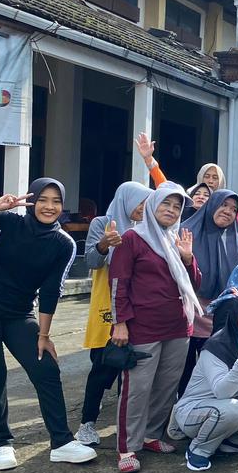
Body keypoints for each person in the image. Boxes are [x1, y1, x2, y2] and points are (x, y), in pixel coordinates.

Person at [0, 180, 96, 470]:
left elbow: (52, 291)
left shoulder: (64, 244)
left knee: (46, 368)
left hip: (19, 312)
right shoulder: (9, 222)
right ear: (32, 201)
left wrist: (44, 335)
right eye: (43, 199)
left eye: (56, 201)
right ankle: (0, 442)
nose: (49, 207)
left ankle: (62, 442)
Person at [108, 183, 202, 473]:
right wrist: (119, 323)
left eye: (176, 207)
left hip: (178, 326)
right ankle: (127, 447)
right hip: (143, 327)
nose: (171, 211)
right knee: (137, 388)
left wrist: (188, 259)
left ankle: (151, 435)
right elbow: (118, 282)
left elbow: (194, 284)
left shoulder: (175, 241)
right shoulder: (132, 238)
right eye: (166, 204)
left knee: (166, 386)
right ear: (152, 206)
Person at [168, 294, 238, 471]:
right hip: (193, 412)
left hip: (229, 407)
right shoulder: (216, 346)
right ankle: (199, 449)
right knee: (234, 409)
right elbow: (222, 392)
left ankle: (236, 440)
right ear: (236, 314)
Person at [77, 181, 150, 446]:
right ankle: (87, 423)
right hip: (107, 303)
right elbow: (92, 261)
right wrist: (104, 245)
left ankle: (124, 423)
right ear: (127, 200)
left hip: (138, 303)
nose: (144, 208)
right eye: (140, 202)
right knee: (103, 364)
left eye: (147, 204)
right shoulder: (103, 223)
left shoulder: (147, 227)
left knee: (130, 367)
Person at [177, 187, 238, 396]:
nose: (228, 211)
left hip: (220, 316)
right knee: (183, 370)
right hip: (187, 311)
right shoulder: (186, 232)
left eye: (234, 209)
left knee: (213, 371)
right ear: (211, 205)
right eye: (224, 205)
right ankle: (181, 407)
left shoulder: (237, 241)